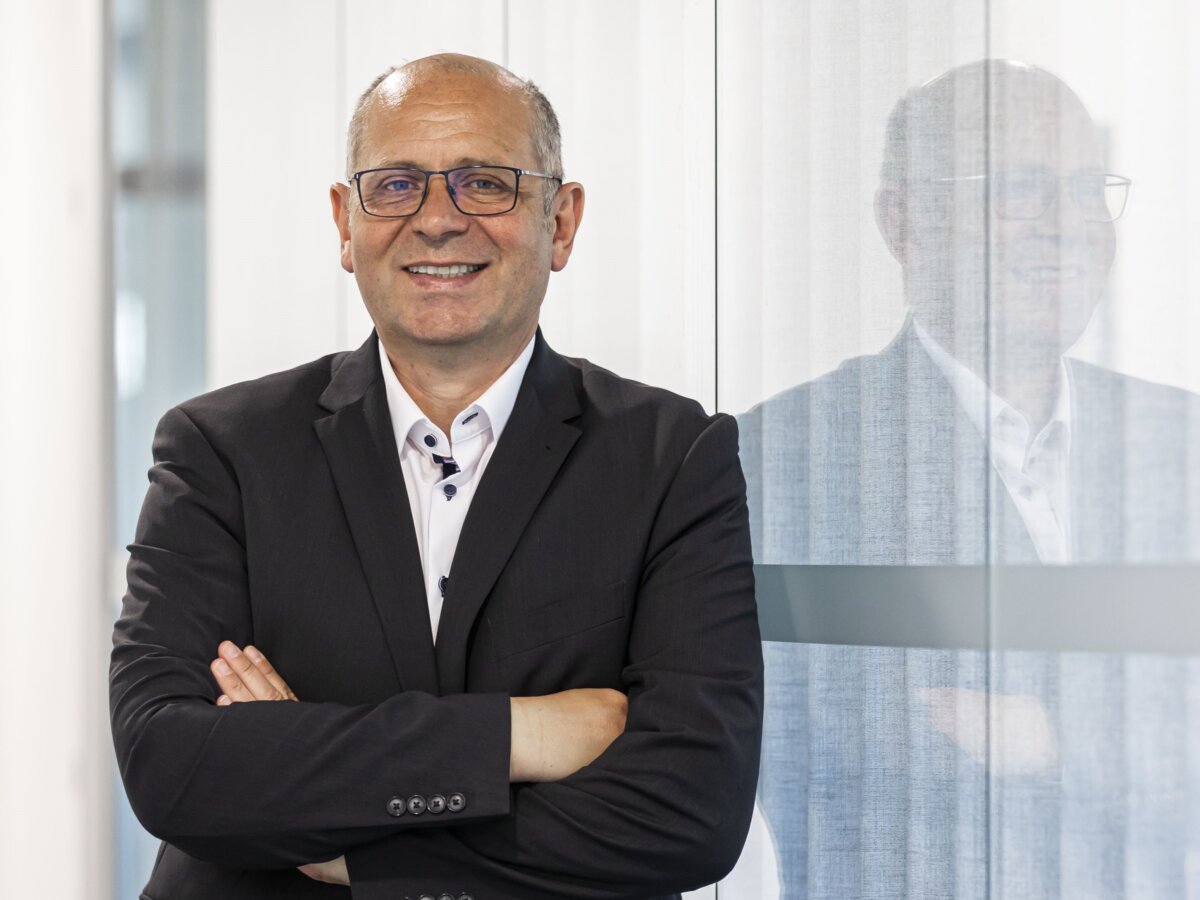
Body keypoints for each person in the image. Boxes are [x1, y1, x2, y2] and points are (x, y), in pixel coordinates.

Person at [110, 53, 763, 900]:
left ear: (562, 222)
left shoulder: (672, 457)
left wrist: (356, 841)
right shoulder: (220, 451)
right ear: (345, 224)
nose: (439, 220)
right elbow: (171, 766)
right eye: (395, 186)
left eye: (485, 183)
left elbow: (691, 810)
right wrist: (521, 737)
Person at [740, 60, 1200, 898]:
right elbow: (865, 761)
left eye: (1086, 189)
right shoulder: (785, 458)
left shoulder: (1179, 442)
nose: (1068, 226)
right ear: (903, 221)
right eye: (1020, 189)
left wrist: (1052, 737)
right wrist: (1136, 732)